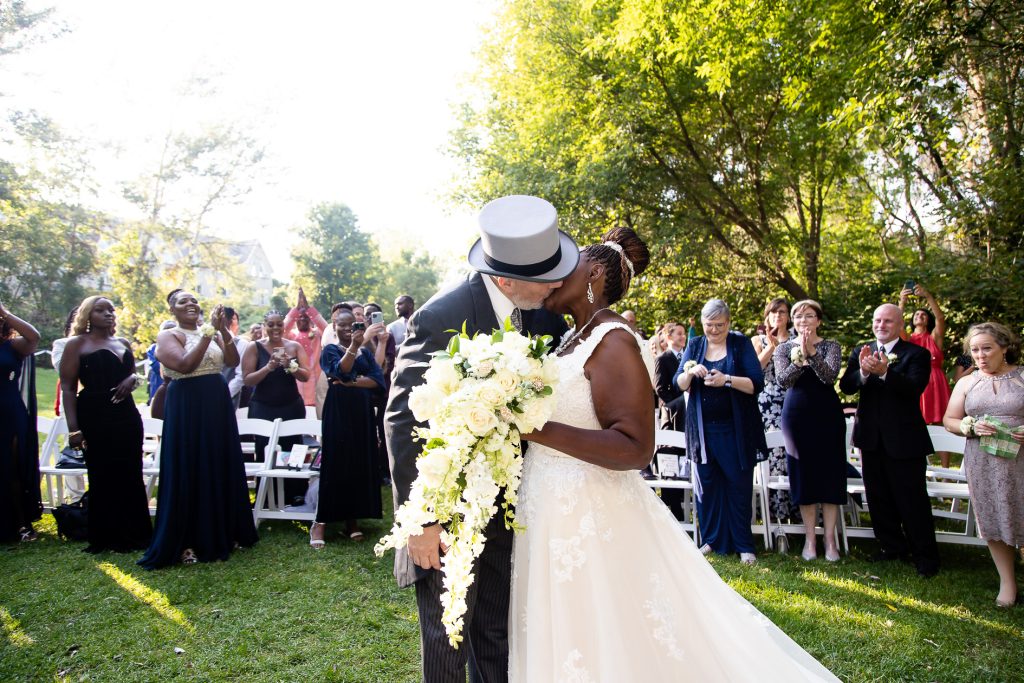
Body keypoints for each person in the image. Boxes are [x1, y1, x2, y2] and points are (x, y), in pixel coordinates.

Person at [510, 229, 838, 682]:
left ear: (594, 273)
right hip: (552, 504)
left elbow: (635, 446)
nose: (553, 276)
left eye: (567, 265)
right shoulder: (572, 338)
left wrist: (533, 428)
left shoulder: (613, 339)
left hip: (589, 508)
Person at [385, 194, 574, 682]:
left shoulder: (544, 316)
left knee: (498, 635)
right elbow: (403, 422)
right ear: (505, 279)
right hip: (449, 511)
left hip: (510, 507)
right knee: (447, 640)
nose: (557, 284)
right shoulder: (439, 316)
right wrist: (422, 521)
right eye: (546, 277)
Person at [138, 289, 258, 568]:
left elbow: (231, 361)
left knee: (217, 461)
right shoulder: (169, 335)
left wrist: (222, 331)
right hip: (188, 404)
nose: (191, 304)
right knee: (190, 464)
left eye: (194, 300)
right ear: (172, 309)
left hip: (216, 401)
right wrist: (207, 333)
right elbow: (184, 364)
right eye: (183, 301)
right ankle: (187, 540)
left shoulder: (212, 333)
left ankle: (224, 531)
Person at [839, 303, 940, 577]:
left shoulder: (916, 354)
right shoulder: (862, 351)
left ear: (900, 324)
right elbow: (846, 386)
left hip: (904, 438)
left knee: (912, 498)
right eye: (877, 320)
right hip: (870, 437)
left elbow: (914, 388)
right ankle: (891, 547)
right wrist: (863, 372)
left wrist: (885, 372)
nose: (881, 325)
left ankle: (925, 556)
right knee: (878, 496)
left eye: (888, 321)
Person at [674, 299, 767, 564]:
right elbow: (678, 382)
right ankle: (712, 540)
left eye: (719, 325)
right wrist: (691, 372)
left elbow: (755, 383)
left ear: (728, 323)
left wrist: (726, 380)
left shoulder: (740, 343)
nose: (714, 330)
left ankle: (743, 544)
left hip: (735, 430)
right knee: (707, 487)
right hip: (703, 431)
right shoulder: (695, 345)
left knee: (738, 486)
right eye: (709, 325)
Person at [59, 296, 152, 553]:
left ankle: (136, 533)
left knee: (130, 471)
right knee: (102, 473)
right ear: (88, 315)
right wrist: (74, 429)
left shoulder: (122, 343)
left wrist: (132, 379)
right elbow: (68, 388)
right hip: (94, 413)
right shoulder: (77, 344)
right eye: (100, 310)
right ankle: (106, 535)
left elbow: (133, 375)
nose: (108, 314)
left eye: (111, 310)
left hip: (126, 414)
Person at [943, 322, 1024, 607]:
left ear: (1004, 347)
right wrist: (970, 427)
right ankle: (1007, 582)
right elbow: (949, 420)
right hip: (984, 462)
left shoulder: (1022, 377)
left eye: (987, 348)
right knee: (994, 516)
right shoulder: (967, 382)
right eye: (975, 350)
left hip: (1020, 460)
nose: (980, 355)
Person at [773, 300, 847, 562]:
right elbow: (783, 380)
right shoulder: (783, 348)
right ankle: (810, 539)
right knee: (803, 474)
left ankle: (830, 540)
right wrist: (799, 360)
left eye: (809, 316)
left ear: (818, 320)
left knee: (830, 473)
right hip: (797, 415)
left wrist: (812, 354)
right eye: (798, 316)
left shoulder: (831, 346)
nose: (803, 320)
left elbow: (829, 377)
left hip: (827, 414)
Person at [311, 307, 385, 546]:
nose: (346, 328)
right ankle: (320, 523)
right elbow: (339, 370)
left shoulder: (366, 353)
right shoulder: (330, 350)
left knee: (357, 463)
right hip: (338, 413)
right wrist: (353, 347)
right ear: (334, 327)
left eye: (350, 325)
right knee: (336, 463)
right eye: (341, 325)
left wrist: (352, 383)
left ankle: (352, 521)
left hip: (361, 413)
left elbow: (377, 381)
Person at [751, 297, 799, 549]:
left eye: (782, 312)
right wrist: (771, 347)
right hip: (768, 403)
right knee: (774, 458)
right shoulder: (757, 340)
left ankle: (799, 517)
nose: (778, 316)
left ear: (788, 316)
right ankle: (776, 519)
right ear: (767, 315)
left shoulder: (797, 339)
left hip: (793, 399)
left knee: (794, 456)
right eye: (773, 312)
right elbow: (754, 371)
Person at [241, 309, 310, 468]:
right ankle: (267, 484)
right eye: (271, 325)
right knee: (265, 449)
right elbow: (248, 380)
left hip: (291, 407)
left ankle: (293, 484)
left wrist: (290, 366)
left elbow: (306, 376)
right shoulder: (254, 347)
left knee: (292, 450)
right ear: (264, 326)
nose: (275, 328)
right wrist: (268, 367)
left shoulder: (294, 346)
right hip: (263, 408)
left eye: (279, 324)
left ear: (284, 326)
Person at [0, 300, 41, 543]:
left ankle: (21, 523)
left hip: (9, 412)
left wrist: (4, 312)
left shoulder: (12, 345)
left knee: (12, 468)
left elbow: (33, 337)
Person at [900, 284, 953, 466]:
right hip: (915, 382)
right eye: (916, 314)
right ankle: (918, 465)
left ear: (928, 320)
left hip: (935, 381)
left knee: (940, 424)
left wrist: (928, 296)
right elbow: (897, 324)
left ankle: (946, 471)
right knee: (914, 422)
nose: (920, 316)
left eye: (923, 314)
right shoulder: (908, 339)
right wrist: (902, 301)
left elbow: (940, 318)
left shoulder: (934, 337)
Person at [652, 321, 687, 515]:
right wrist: (678, 403)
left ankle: (684, 502)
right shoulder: (663, 359)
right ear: (669, 337)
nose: (683, 337)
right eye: (679, 333)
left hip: (688, 417)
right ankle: (672, 506)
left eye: (684, 333)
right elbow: (659, 388)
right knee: (670, 456)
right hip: (671, 416)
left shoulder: (689, 357)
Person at [363, 302, 395, 485]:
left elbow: (385, 365)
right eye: (367, 314)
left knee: (384, 431)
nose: (370, 317)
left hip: (383, 390)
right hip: (364, 391)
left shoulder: (387, 336)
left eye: (374, 314)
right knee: (367, 432)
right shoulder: (360, 337)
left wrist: (381, 341)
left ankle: (385, 470)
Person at [283, 287, 329, 407]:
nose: (303, 318)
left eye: (306, 316)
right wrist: (295, 310)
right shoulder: (290, 336)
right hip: (296, 387)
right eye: (300, 317)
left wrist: (309, 309)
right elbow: (280, 330)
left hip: (318, 387)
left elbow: (328, 329)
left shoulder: (318, 334)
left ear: (310, 319)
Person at [220, 307, 248, 410]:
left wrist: (224, 394)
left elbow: (240, 376)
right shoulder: (207, 340)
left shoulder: (241, 343)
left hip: (229, 397)